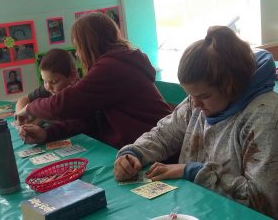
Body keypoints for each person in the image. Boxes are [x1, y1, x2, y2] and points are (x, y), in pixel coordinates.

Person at [113, 26, 278, 218]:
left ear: (230, 85)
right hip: (196, 207)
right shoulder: (198, 101)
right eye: (191, 95)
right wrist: (134, 153)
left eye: (204, 96)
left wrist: (193, 172)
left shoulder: (265, 116)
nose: (196, 104)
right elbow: (165, 133)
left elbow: (262, 201)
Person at [16, 12, 171, 149]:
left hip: (155, 145)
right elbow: (86, 119)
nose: (77, 53)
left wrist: (29, 108)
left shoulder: (110, 67)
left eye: (78, 47)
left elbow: (64, 105)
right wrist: (45, 134)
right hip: (151, 141)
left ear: (90, 45)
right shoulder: (117, 61)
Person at [15, 48, 80, 143]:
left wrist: (40, 120)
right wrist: (21, 119)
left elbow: (71, 126)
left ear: (72, 76)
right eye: (44, 81)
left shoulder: (79, 94)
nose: (48, 87)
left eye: (54, 82)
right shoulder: (48, 88)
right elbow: (23, 99)